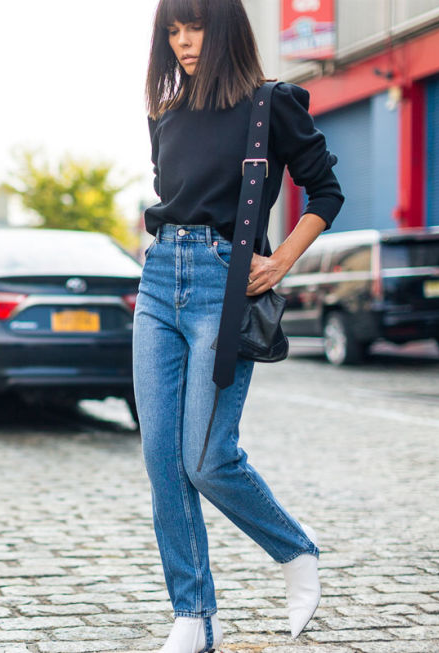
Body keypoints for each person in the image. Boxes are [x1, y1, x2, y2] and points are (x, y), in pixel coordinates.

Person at [134, 1, 344, 650]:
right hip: (159, 281)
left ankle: (295, 550)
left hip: (224, 287)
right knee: (162, 460)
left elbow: (326, 191)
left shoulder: (269, 104)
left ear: (224, 28)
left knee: (206, 456)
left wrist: (280, 260)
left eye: (194, 26)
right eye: (172, 29)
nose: (183, 41)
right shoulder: (164, 114)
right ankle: (192, 615)